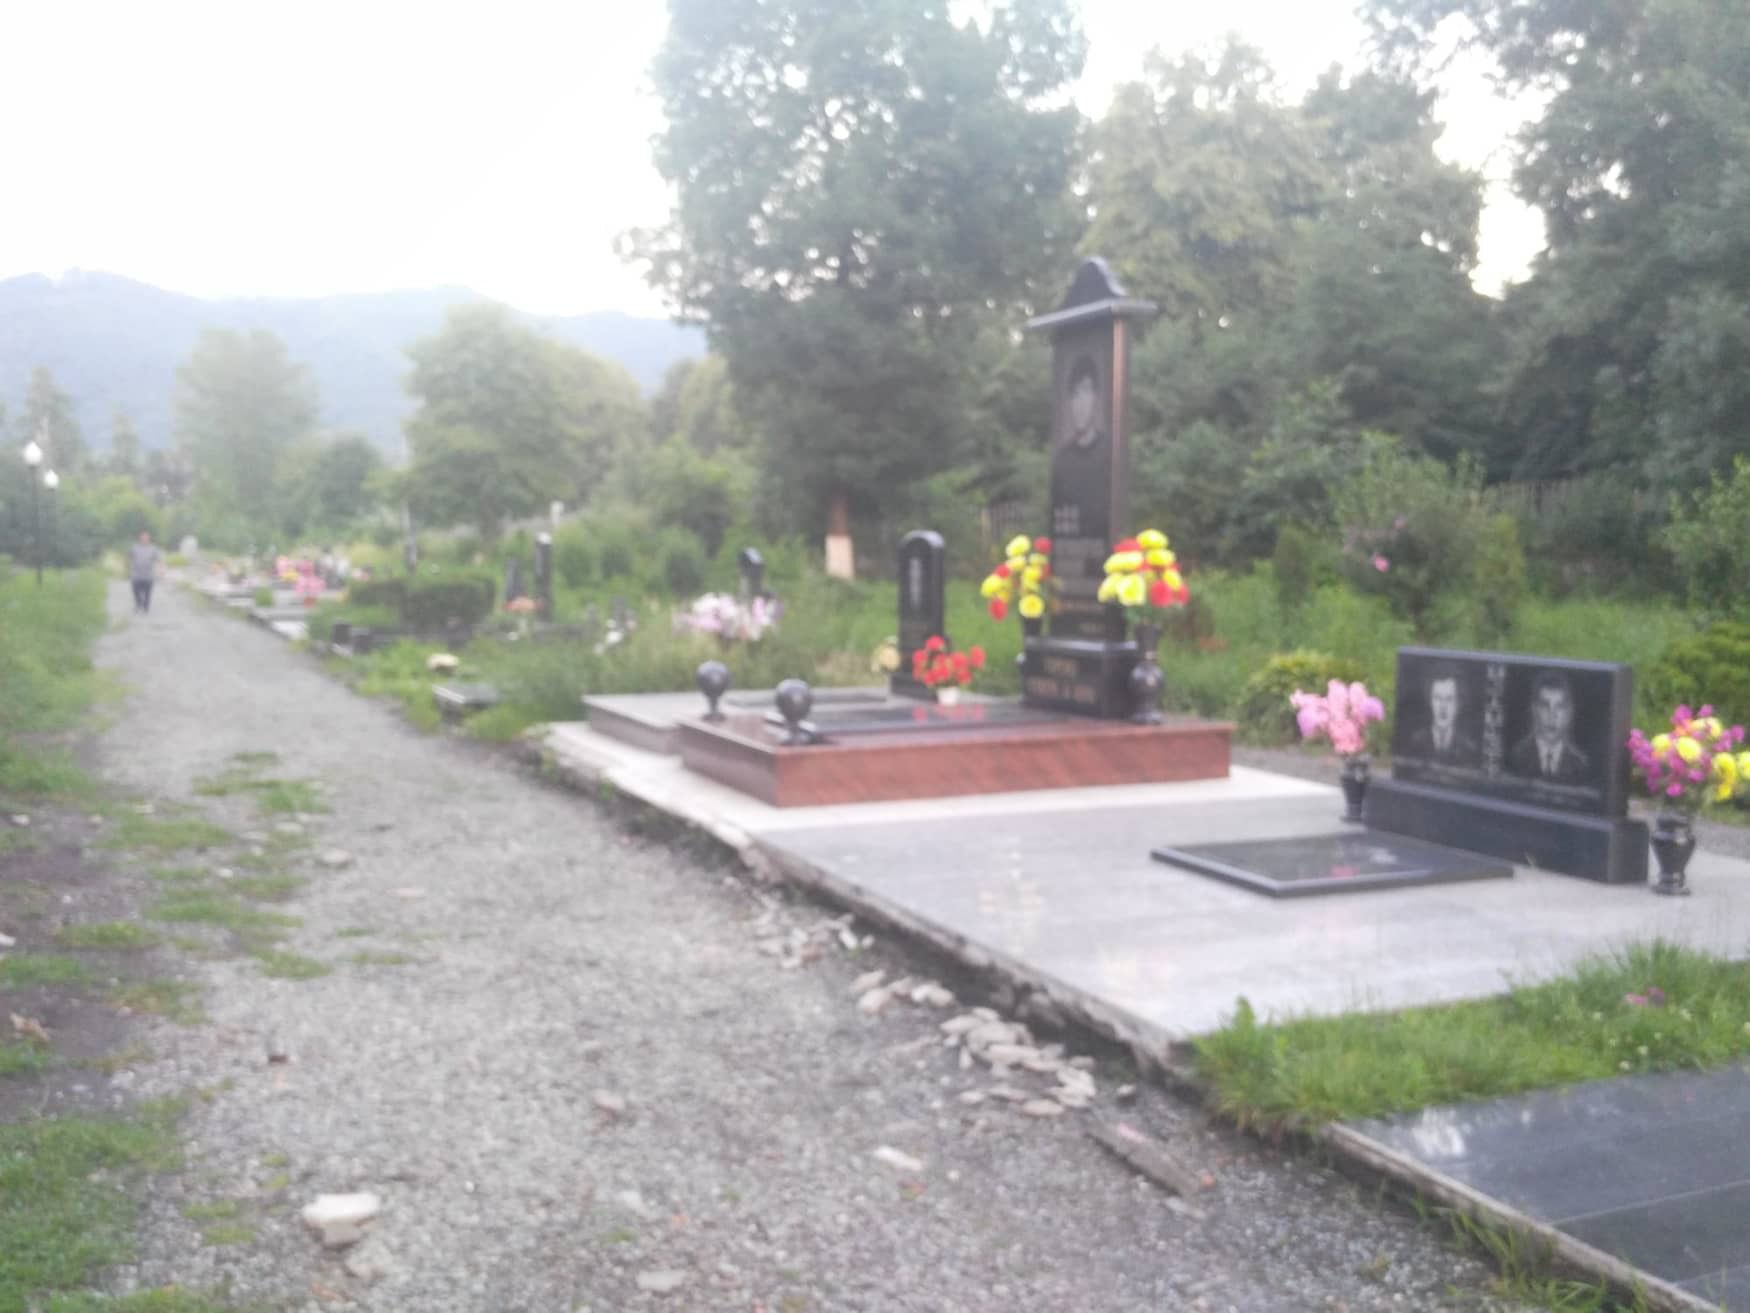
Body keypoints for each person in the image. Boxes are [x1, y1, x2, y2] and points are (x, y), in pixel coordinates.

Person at [1509, 670, 1591, 781]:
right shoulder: (1517, 756)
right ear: (1534, 710)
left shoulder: (1580, 764)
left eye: (1559, 707)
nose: (1552, 715)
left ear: (1568, 713)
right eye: (1545, 706)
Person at [1404, 664, 1480, 764]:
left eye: (1449, 699)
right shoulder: (1415, 742)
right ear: (1430, 701)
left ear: (1459, 703)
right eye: (1437, 698)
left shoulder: (1468, 748)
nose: (1443, 707)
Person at [129, 530, 162, 614]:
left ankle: (146, 607)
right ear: (140, 538)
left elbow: (158, 559)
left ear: (149, 539)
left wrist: (161, 569)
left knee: (147, 593)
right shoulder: (135, 547)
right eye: (143, 538)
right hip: (136, 574)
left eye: (146, 538)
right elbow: (130, 558)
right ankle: (138, 604)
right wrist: (130, 568)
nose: (144, 539)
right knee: (136, 592)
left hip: (148, 575)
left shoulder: (153, 548)